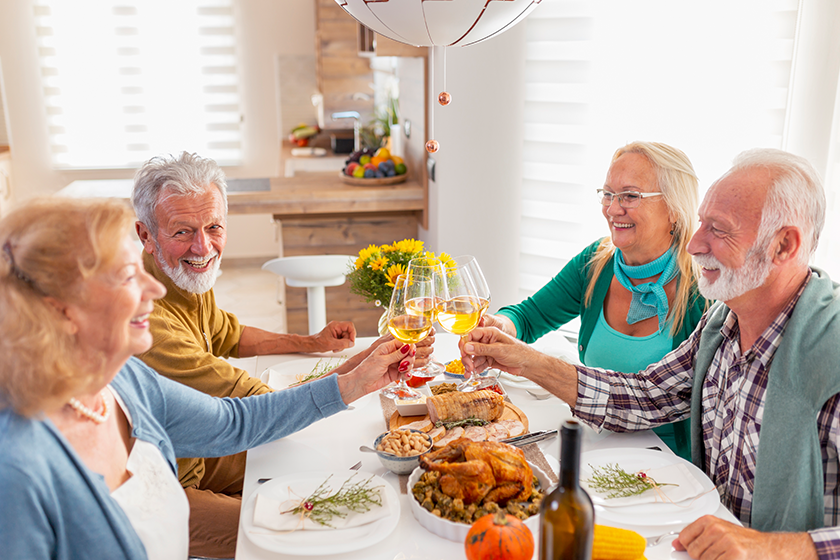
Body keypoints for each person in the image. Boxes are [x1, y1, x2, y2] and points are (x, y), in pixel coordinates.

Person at [462, 148, 838, 559]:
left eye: (719, 229)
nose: (694, 246)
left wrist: (776, 548)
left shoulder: (830, 353)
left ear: (784, 245)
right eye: (701, 226)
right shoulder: (722, 326)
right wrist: (524, 359)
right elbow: (646, 396)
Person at [0, 197, 415, 560]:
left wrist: (356, 382)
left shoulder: (123, 382)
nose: (155, 289)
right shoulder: (18, 470)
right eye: (128, 275)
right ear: (63, 312)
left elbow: (232, 422)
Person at [131, 151, 431, 556]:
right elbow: (260, 407)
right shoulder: (148, 323)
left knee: (318, 467)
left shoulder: (180, 276)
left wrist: (313, 343)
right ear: (145, 235)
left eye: (213, 226)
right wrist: (357, 373)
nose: (202, 246)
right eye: (182, 232)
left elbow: (229, 334)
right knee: (297, 530)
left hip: (196, 450)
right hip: (159, 486)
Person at [484, 141, 708, 460]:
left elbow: (674, 400)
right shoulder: (596, 263)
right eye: (607, 194)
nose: (613, 209)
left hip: (669, 468)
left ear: (674, 207)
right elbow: (528, 317)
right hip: (596, 449)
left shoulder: (703, 292)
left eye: (630, 195)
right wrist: (500, 324)